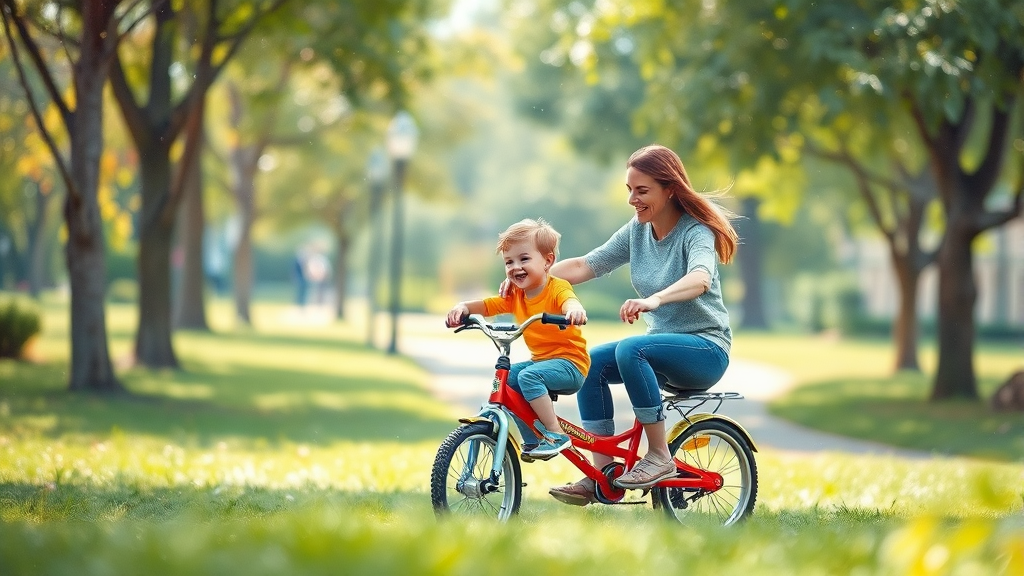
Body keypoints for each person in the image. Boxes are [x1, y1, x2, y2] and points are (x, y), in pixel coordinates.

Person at [539, 144, 739, 505]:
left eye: (642, 190)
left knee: (632, 348)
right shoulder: (638, 231)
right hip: (660, 348)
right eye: (629, 189)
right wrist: (530, 277)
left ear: (670, 189)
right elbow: (586, 265)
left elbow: (700, 279)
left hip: (705, 349)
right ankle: (602, 475)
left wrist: (654, 299)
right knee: (591, 364)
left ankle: (659, 455)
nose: (632, 199)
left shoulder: (696, 232)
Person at [447, 218, 590, 459]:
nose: (515, 267)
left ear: (548, 261)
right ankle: (533, 440)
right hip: (542, 363)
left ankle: (556, 434)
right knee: (509, 380)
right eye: (509, 262)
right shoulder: (516, 293)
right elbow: (489, 305)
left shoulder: (557, 287)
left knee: (527, 376)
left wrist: (574, 310)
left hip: (571, 364)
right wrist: (463, 307)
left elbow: (569, 300)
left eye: (524, 259)